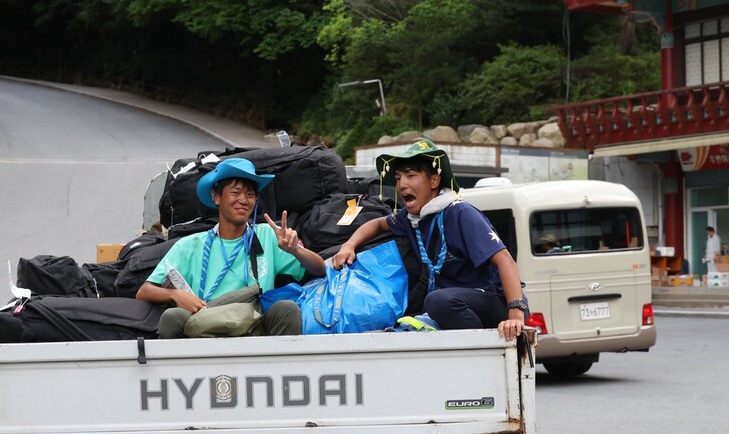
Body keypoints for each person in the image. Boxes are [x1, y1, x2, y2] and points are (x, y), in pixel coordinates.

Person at [331, 140, 527, 341]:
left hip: (497, 302)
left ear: (434, 182)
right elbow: (377, 224)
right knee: (411, 315)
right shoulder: (411, 218)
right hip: (454, 304)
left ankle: (482, 348)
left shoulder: (460, 213)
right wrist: (349, 246)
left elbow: (506, 261)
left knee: (436, 301)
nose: (401, 184)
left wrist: (515, 315)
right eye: (398, 178)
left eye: (411, 176)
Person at [136, 158, 327, 338]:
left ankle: (276, 371)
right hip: (203, 323)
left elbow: (319, 268)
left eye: (250, 194)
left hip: (254, 324)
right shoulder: (190, 245)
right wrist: (175, 294)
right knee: (172, 317)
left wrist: (295, 250)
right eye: (235, 193)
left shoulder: (268, 235)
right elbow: (144, 291)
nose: (244, 200)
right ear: (216, 197)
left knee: (287, 309)